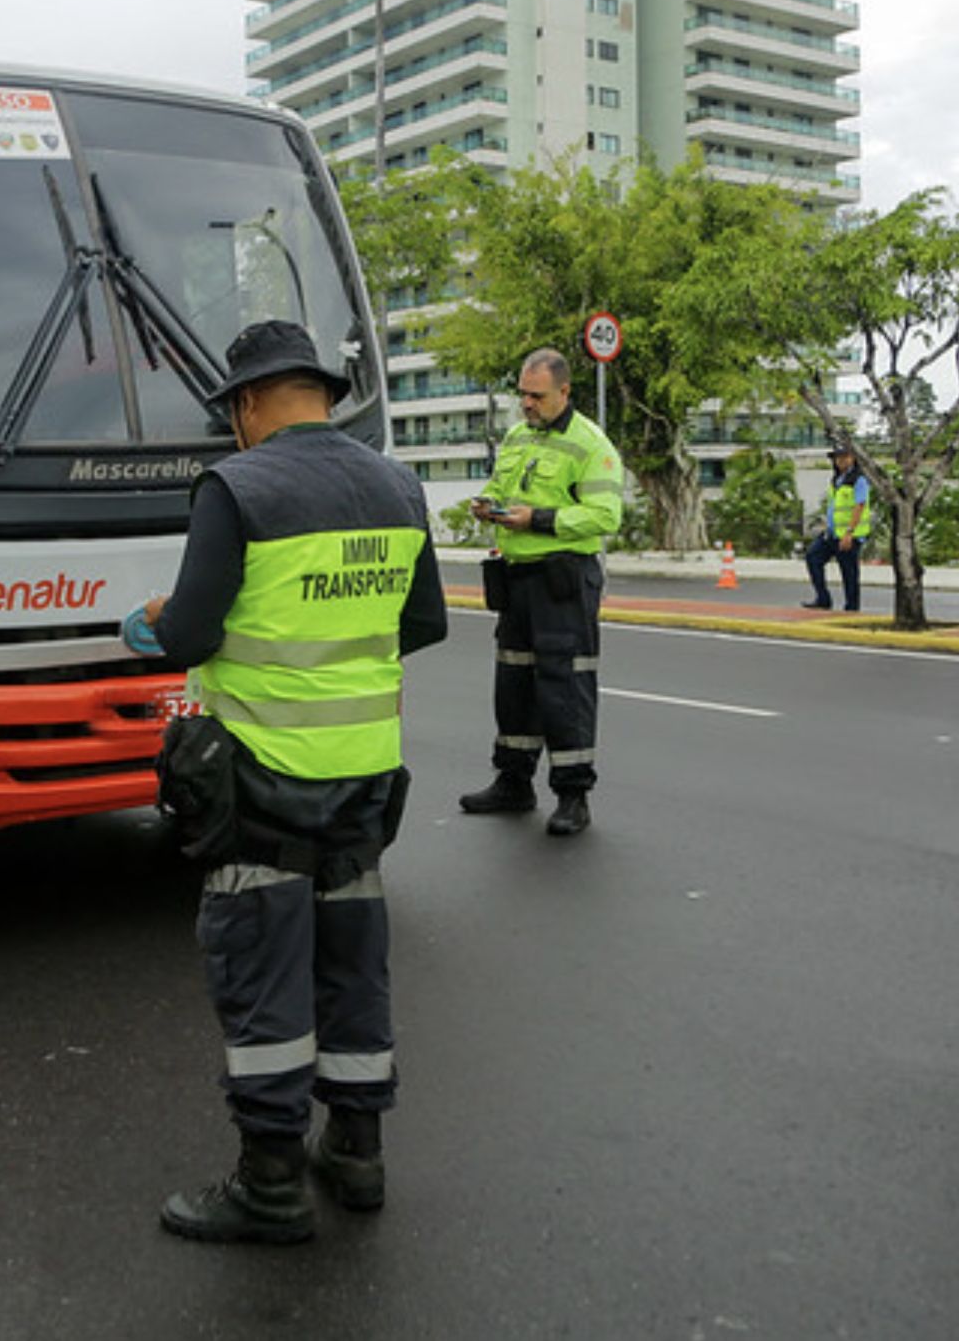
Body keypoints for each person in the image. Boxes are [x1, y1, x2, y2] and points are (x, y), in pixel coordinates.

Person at [141, 320, 448, 1245]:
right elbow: (422, 622)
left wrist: (157, 617)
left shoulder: (237, 486)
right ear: (322, 393)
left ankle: (271, 1183)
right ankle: (356, 1154)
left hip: (264, 777)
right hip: (363, 779)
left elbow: (190, 635)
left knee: (265, 965)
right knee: (354, 962)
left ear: (245, 406)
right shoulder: (398, 485)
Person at [459, 348, 624, 836]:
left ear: (565, 391)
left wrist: (542, 520)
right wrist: (489, 505)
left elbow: (604, 516)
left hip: (562, 578)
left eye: (537, 396)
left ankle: (574, 795)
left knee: (563, 685)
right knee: (514, 683)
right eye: (523, 395)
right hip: (516, 577)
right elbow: (504, 487)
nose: (527, 404)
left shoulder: (591, 444)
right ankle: (513, 781)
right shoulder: (517, 435)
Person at [802, 443, 869, 612]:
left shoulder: (858, 479)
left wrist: (849, 533)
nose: (840, 461)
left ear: (852, 458)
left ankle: (852, 607)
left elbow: (859, 506)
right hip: (832, 533)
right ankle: (823, 598)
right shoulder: (836, 480)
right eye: (837, 458)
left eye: (844, 457)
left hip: (849, 534)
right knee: (813, 557)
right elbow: (834, 506)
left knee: (849, 573)